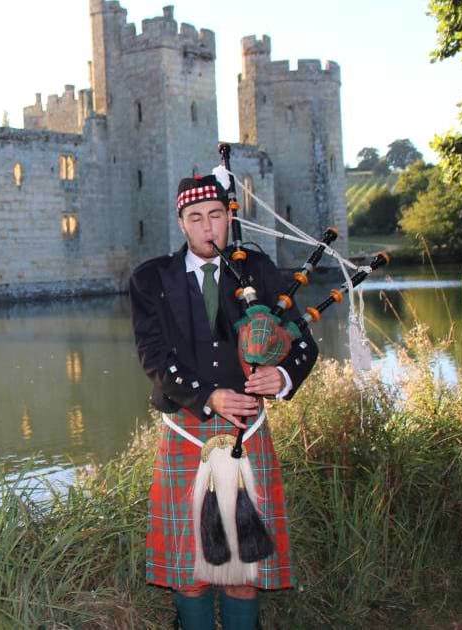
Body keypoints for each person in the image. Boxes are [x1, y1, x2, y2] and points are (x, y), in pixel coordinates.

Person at [128, 174, 319, 630]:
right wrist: (208, 395)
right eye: (196, 218)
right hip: (184, 427)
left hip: (246, 432)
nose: (207, 227)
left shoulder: (257, 270)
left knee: (243, 572)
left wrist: (284, 374)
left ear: (229, 218)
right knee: (187, 570)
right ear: (182, 224)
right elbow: (153, 357)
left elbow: (303, 343)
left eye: (216, 215)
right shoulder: (151, 279)